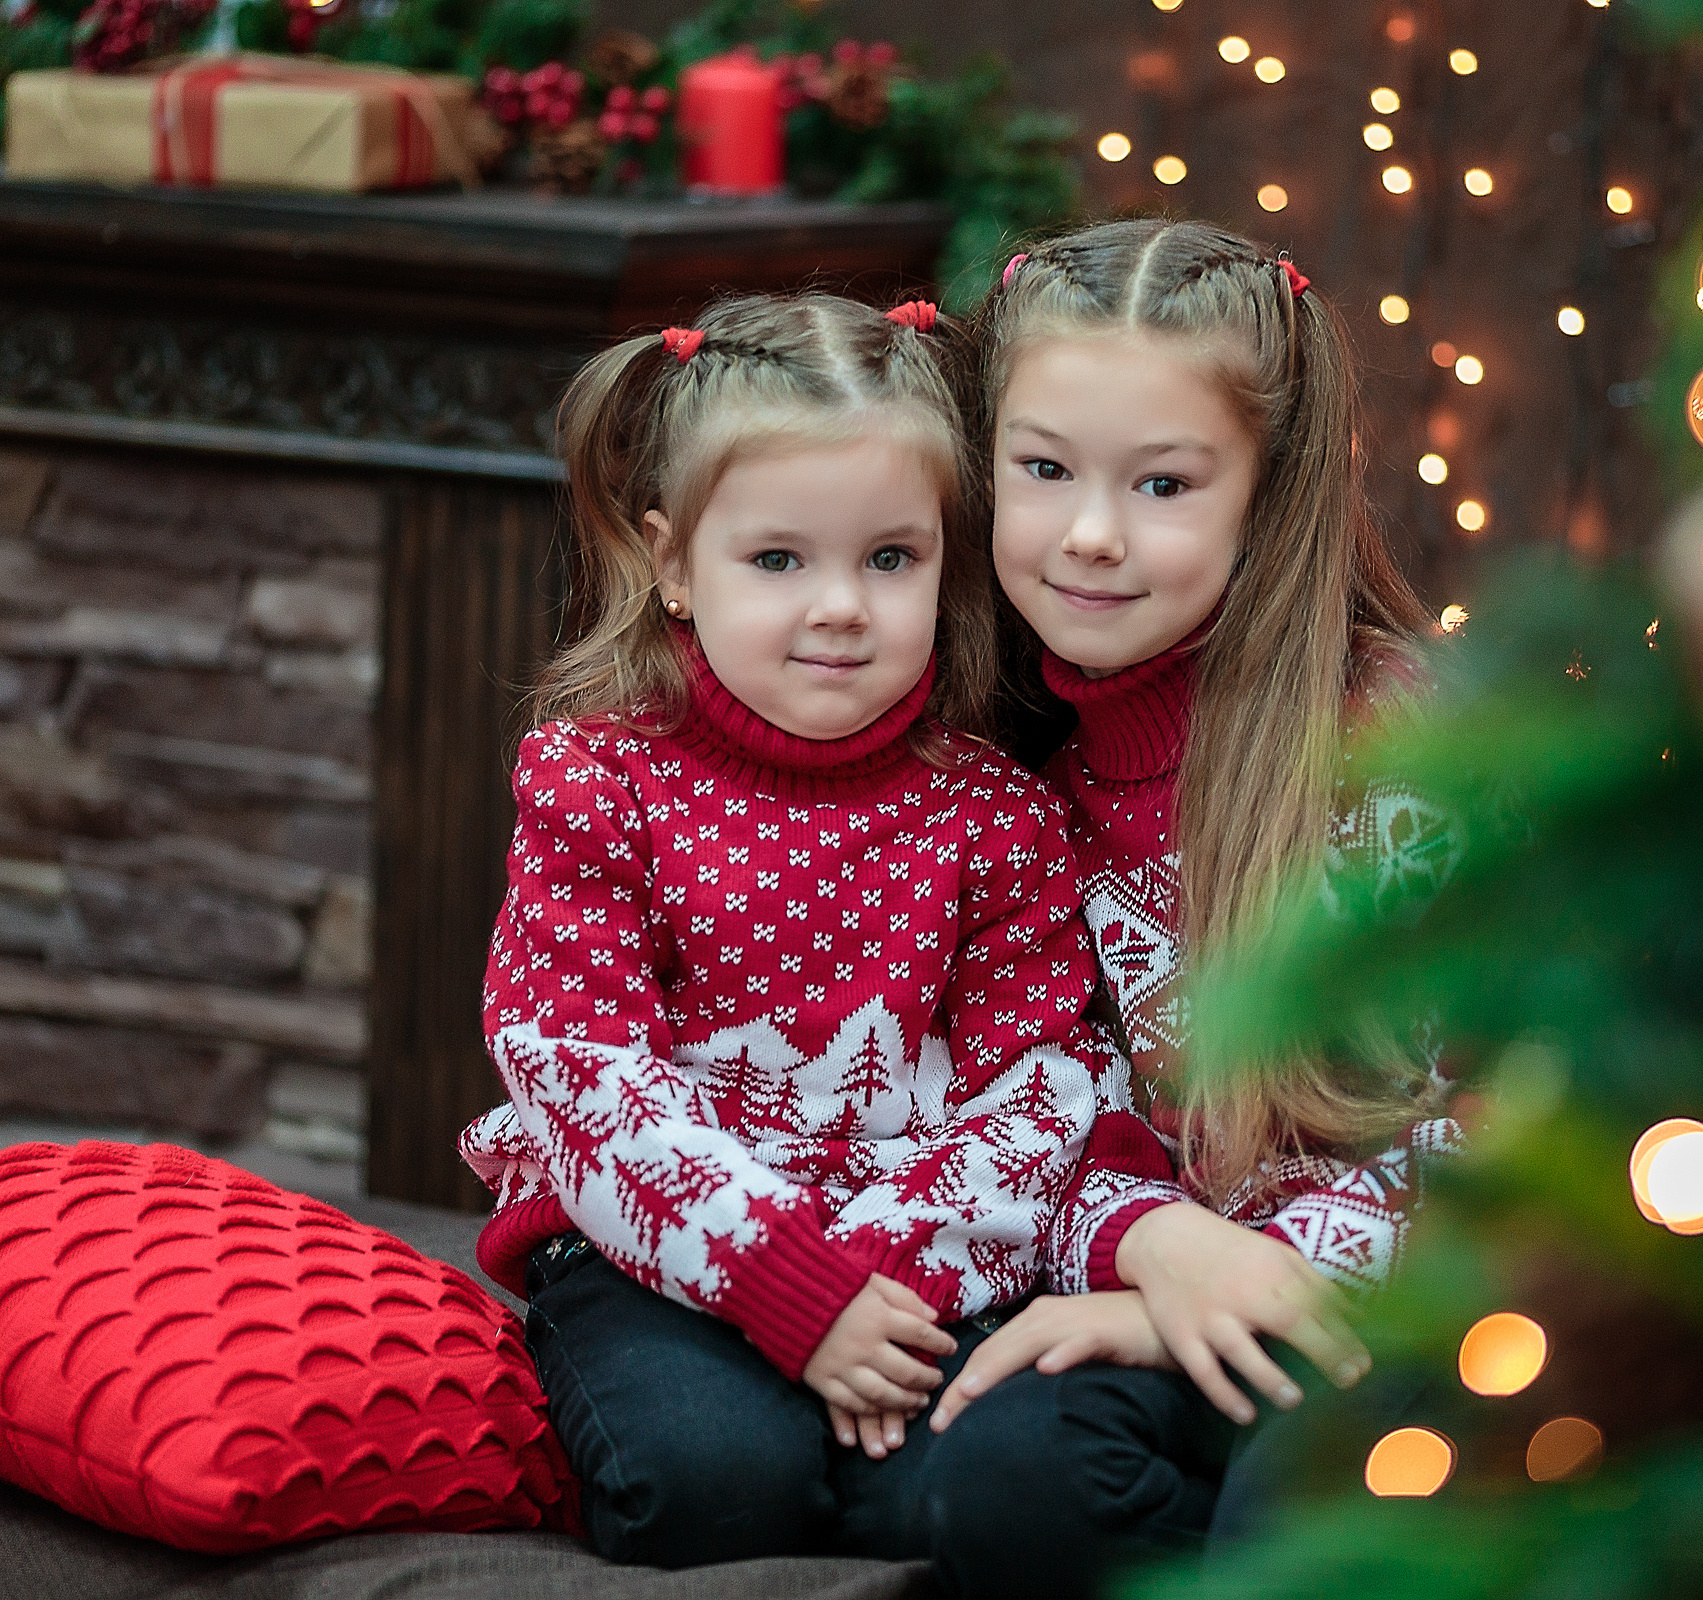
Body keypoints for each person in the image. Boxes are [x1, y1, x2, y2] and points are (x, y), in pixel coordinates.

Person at [455, 292, 1114, 1570]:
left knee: (991, 1491)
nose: (839, 609)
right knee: (715, 1477)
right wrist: (786, 1290)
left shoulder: (993, 815)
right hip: (646, 1245)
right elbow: (579, 1073)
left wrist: (878, 1281)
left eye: (889, 559)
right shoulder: (602, 783)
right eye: (777, 560)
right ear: (670, 564)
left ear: (946, 559)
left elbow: (1049, 1082)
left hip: (913, 1259)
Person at [918, 220, 1463, 1598]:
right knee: (999, 1471)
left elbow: (1526, 1116)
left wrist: (1249, 1277)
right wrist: (1145, 1244)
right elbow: (1016, 1095)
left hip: (1411, 1308)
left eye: (1163, 483)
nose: (1091, 535)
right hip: (1168, 1286)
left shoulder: (1394, 750)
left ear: (1265, 495)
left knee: (1323, 1491)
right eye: (1043, 472)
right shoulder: (1000, 782)